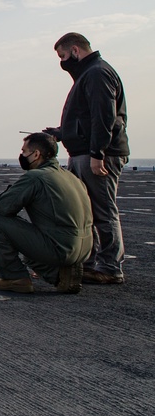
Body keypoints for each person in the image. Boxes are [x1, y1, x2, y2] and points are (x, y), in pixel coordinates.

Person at [45, 33, 130, 285]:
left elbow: (104, 117)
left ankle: (110, 267)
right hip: (85, 152)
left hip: (96, 156)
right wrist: (61, 133)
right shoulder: (89, 73)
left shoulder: (96, 73)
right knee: (88, 212)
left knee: (103, 211)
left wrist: (97, 154)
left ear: (74, 50)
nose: (62, 62)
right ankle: (93, 263)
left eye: (62, 56)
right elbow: (86, 119)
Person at [0, 133, 93, 294]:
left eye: (24, 151)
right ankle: (61, 275)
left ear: (36, 154)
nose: (21, 155)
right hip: (85, 249)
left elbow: (4, 209)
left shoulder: (35, 177)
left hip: (60, 248)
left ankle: (14, 278)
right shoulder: (72, 177)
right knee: (29, 255)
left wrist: (11, 193)